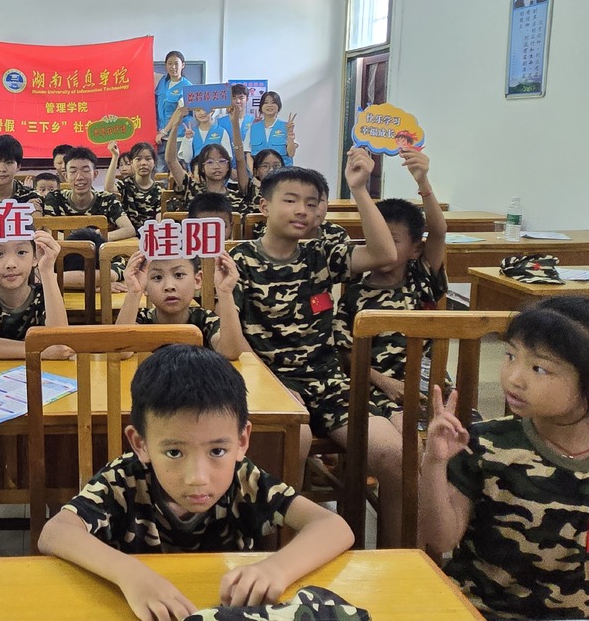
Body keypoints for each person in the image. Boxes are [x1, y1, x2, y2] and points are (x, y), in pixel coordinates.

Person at [39, 345, 353, 619]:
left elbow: (333, 526)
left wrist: (276, 568)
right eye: (174, 452)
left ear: (242, 440)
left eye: (217, 451)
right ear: (141, 444)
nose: (198, 477)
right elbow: (56, 531)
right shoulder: (123, 479)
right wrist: (129, 573)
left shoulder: (245, 479)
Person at [228, 150, 407, 546]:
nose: (302, 210)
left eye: (312, 203)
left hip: (328, 382)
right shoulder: (239, 259)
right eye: (291, 200)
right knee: (297, 442)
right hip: (269, 382)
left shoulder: (321, 253)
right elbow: (232, 342)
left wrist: (359, 189)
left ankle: (395, 555)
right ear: (264, 206)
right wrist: (269, 385)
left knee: (393, 453)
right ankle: (286, 549)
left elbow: (384, 253)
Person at [420, 297, 589, 620]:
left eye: (539, 368)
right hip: (478, 612)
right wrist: (434, 463)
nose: (514, 377)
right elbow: (440, 538)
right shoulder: (484, 444)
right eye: (510, 355)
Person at [333, 150, 447, 431]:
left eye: (392, 240)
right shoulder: (355, 294)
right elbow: (345, 354)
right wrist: (384, 382)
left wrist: (423, 182)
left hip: (429, 384)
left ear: (415, 250)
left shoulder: (422, 278)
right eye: (377, 238)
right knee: (402, 431)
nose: (382, 247)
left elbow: (438, 232)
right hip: (376, 387)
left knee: (459, 431)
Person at [0, 231, 71, 359]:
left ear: (35, 257)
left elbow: (61, 343)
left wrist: (47, 270)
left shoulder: (45, 296)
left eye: (21, 252)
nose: (11, 264)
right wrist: (40, 351)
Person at [116, 250, 242, 359]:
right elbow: (121, 352)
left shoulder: (205, 320)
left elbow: (230, 353)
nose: (169, 286)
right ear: (145, 285)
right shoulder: (140, 320)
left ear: (197, 280)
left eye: (179, 275)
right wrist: (134, 292)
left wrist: (225, 293)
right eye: (157, 277)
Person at [42, 147, 136, 241]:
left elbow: (129, 229)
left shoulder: (107, 199)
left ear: (95, 174)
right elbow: (46, 229)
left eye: (86, 170)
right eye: (73, 171)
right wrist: (79, 240)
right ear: (66, 176)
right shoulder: (55, 198)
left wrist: (95, 237)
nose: (79, 177)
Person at [104, 141, 161, 233]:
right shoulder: (126, 184)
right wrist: (115, 156)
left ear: (154, 162)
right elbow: (109, 189)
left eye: (148, 159)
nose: (143, 163)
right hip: (128, 235)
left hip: (152, 235)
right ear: (131, 163)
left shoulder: (159, 189)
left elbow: (160, 220)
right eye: (138, 159)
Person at [154, 50, 193, 170]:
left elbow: (179, 112)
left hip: (178, 137)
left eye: (176, 63)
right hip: (161, 138)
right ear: (165, 65)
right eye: (170, 63)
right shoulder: (162, 82)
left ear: (183, 65)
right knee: (160, 173)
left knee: (178, 171)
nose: (173, 67)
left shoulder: (187, 87)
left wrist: (164, 131)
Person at [243, 91, 297, 167]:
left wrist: (290, 134)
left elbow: (291, 153)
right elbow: (248, 155)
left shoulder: (286, 126)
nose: (269, 105)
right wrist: (254, 172)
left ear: (278, 106)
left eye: (273, 102)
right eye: (266, 102)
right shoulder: (253, 128)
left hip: (282, 172)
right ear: (261, 106)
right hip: (260, 172)